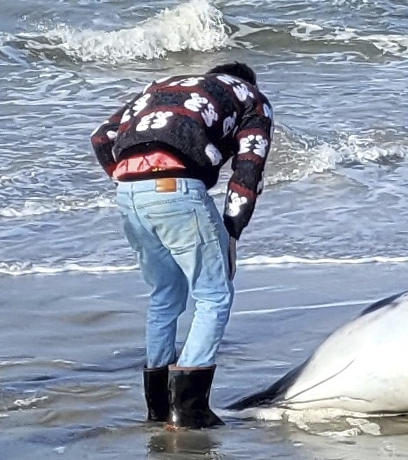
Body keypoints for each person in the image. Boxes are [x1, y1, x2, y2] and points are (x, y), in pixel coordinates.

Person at [91, 61, 274, 429]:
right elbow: (248, 169)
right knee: (214, 295)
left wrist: (128, 179)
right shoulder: (251, 98)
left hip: (128, 193)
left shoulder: (163, 86)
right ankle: (189, 408)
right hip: (176, 190)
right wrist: (232, 231)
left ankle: (157, 406)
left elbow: (101, 136)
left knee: (165, 295)